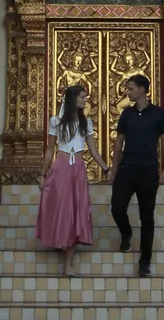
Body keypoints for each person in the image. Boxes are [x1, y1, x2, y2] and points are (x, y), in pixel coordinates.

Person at [36, 85, 109, 277]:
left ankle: (69, 263)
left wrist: (107, 169)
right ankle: (58, 238)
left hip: (78, 168)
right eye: (83, 97)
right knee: (60, 207)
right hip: (60, 167)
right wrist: (43, 174)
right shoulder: (56, 121)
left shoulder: (87, 123)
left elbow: (93, 151)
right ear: (73, 98)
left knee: (76, 210)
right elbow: (50, 150)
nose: (86, 100)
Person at [108, 73, 164, 277]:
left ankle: (145, 262)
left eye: (131, 88)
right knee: (117, 207)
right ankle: (126, 234)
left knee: (147, 218)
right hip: (127, 169)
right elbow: (119, 142)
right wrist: (114, 168)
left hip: (148, 171)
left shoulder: (158, 114)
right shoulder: (126, 114)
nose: (128, 92)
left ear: (142, 89)